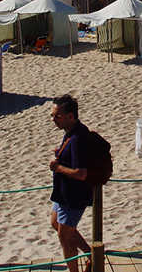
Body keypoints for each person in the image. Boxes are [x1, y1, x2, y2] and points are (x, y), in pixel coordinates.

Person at [48, 94, 93, 272]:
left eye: (57, 116)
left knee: (64, 237)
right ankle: (91, 255)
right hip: (63, 192)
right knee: (55, 223)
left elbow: (81, 173)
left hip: (73, 195)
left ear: (70, 116)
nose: (54, 119)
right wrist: (62, 152)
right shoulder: (72, 132)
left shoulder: (77, 139)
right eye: (52, 115)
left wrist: (57, 168)